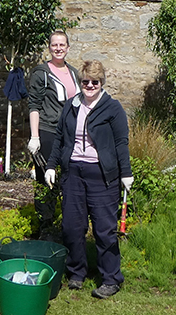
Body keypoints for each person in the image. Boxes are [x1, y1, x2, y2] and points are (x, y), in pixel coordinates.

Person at [43, 60, 132, 299]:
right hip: (73, 173)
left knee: (104, 231)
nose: (90, 85)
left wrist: (126, 173)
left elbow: (121, 143)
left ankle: (111, 279)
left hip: (102, 176)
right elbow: (60, 137)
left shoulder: (112, 108)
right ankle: (76, 272)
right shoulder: (71, 106)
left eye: (95, 81)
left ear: (101, 82)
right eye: (85, 81)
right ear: (80, 82)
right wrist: (51, 165)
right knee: (72, 227)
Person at [27, 31, 80, 236]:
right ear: (49, 47)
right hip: (47, 131)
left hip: (70, 133)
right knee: (45, 179)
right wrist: (34, 137)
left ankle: (66, 222)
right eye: (54, 45)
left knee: (68, 176)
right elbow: (34, 105)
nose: (58, 48)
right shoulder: (41, 73)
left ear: (68, 47)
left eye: (62, 45)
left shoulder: (74, 73)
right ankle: (45, 226)